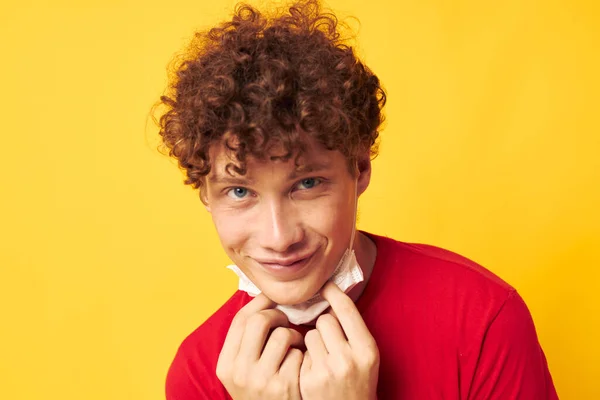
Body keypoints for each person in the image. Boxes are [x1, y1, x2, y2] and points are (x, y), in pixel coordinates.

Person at [155, 0, 558, 398]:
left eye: (307, 184)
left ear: (360, 169)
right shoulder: (200, 374)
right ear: (206, 195)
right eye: (240, 192)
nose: (279, 238)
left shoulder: (482, 318)